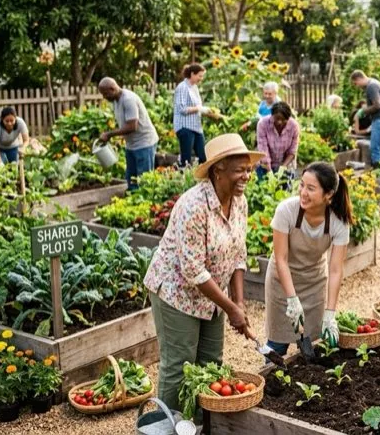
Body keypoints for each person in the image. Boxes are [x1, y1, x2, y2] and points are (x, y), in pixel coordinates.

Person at [143, 133, 263, 411]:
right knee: (179, 365)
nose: (246, 176)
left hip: (213, 296)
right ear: (218, 170)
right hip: (176, 293)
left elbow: (238, 254)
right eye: (239, 170)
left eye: (248, 169)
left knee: (210, 363)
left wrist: (239, 303)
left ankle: (201, 423)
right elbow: (193, 270)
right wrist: (231, 308)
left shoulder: (239, 201)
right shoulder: (193, 206)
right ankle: (169, 425)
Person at [264, 162, 354, 355]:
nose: (303, 192)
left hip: (314, 283)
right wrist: (291, 299)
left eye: (311, 188)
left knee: (311, 350)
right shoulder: (286, 211)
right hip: (282, 283)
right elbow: (281, 258)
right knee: (276, 346)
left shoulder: (338, 222)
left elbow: (336, 269)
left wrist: (330, 313)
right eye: (302, 185)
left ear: (328, 194)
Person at [98, 77, 159, 190]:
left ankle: (146, 204)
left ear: (112, 88)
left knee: (144, 180)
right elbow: (124, 123)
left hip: (144, 143)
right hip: (132, 145)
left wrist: (109, 134)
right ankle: (134, 201)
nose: (104, 97)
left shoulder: (128, 99)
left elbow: (132, 126)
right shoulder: (116, 100)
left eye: (105, 94)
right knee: (131, 178)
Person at [173, 63, 214, 167]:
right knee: (186, 159)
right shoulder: (182, 87)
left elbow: (197, 106)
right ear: (192, 74)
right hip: (185, 127)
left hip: (196, 127)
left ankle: (203, 180)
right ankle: (184, 180)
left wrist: (207, 112)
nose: (201, 78)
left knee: (203, 156)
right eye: (200, 76)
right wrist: (199, 109)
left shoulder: (194, 87)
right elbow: (182, 109)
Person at [350, 70, 380, 166]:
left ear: (359, 78)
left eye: (356, 83)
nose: (357, 86)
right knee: (378, 146)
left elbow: (378, 105)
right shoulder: (373, 83)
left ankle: (377, 172)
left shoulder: (371, 86)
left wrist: (363, 111)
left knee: (375, 147)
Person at [256, 101, 299, 179]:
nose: (279, 122)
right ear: (272, 115)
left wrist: (282, 168)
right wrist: (270, 173)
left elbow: (292, 151)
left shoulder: (294, 126)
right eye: (277, 118)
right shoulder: (263, 124)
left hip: (286, 165)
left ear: (288, 118)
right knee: (265, 189)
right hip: (265, 165)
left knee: (285, 190)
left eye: (283, 120)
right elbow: (263, 150)